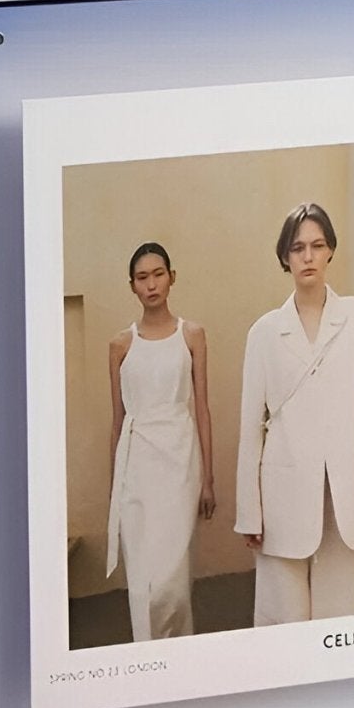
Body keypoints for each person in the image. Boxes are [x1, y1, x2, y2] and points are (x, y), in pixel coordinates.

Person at [235, 202, 354, 626]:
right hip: (282, 491)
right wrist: (249, 511)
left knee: (340, 619)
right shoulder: (264, 332)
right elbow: (251, 429)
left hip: (344, 493)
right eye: (297, 248)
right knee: (283, 623)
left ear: (330, 251)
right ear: (285, 257)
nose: (308, 256)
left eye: (317, 245)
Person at [105, 242, 215, 641]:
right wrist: (112, 488)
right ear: (132, 286)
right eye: (141, 277)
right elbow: (117, 420)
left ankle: (178, 660)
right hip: (135, 468)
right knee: (143, 584)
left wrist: (208, 480)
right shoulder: (121, 344)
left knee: (172, 583)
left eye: (158, 274)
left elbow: (202, 408)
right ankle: (145, 660)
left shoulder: (193, 335)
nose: (151, 284)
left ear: (172, 277)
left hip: (180, 463)